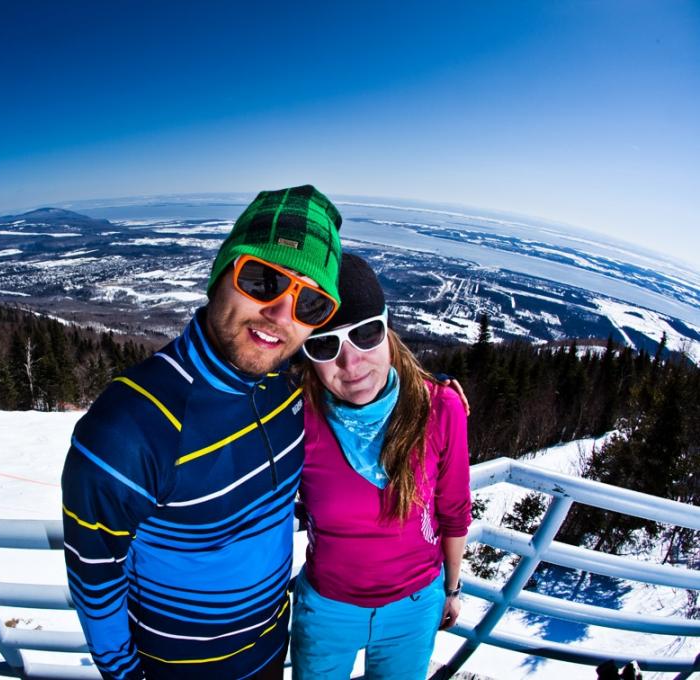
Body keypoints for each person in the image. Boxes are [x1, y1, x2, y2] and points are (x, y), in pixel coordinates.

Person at [62, 185, 344, 679]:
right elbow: (95, 579)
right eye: (262, 279)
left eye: (311, 304)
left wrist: (433, 391)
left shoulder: (294, 384)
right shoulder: (127, 429)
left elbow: (370, 379)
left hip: (272, 650)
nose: (281, 315)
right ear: (221, 274)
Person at [290, 254, 471, 680]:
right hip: (327, 611)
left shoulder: (440, 408)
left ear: (388, 329)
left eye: (366, 335)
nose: (350, 365)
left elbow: (454, 510)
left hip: (414, 610)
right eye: (324, 345)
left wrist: (452, 588)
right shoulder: (296, 418)